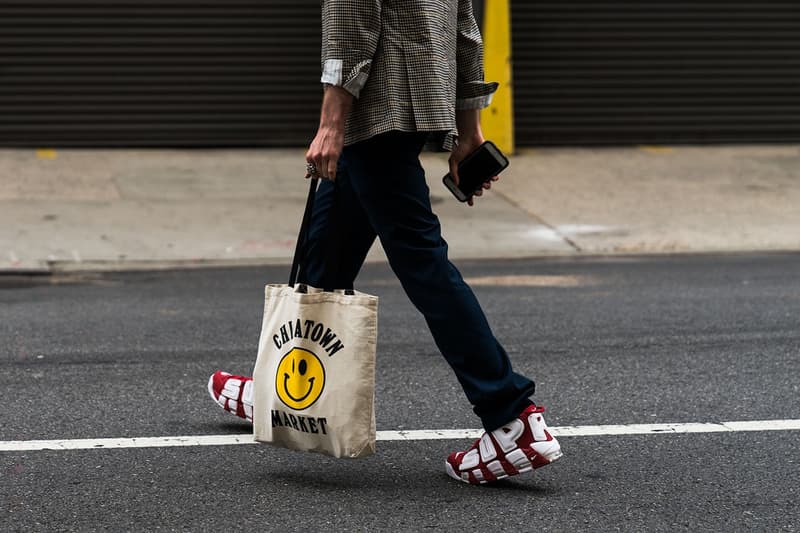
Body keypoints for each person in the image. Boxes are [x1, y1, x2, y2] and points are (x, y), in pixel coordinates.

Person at [208, 0, 562, 485]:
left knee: (422, 261)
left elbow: (350, 25)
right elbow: (465, 27)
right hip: (411, 104)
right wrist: (470, 127)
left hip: (376, 108)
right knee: (326, 248)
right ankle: (285, 386)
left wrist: (332, 121)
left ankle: (511, 415)